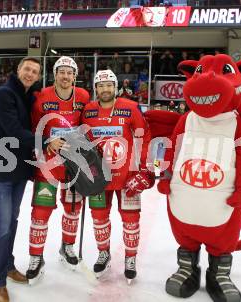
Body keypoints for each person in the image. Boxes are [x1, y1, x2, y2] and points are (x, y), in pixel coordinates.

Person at [0, 57, 59, 302]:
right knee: (3, 225)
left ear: (38, 77)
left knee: (13, 221)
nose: (30, 73)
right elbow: (13, 130)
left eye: (35, 71)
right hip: (2, 171)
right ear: (18, 70)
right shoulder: (3, 95)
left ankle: (8, 266)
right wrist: (47, 141)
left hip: (19, 171)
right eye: (27, 69)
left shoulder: (28, 98)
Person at [81, 69, 155, 283]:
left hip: (127, 176)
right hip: (99, 178)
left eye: (109, 85)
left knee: (131, 220)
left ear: (116, 87)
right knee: (99, 218)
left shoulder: (130, 107)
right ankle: (103, 253)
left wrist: (144, 168)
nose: (105, 89)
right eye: (101, 85)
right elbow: (83, 143)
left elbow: (144, 137)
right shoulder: (88, 111)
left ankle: (130, 259)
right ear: (96, 88)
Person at [26, 56, 90, 281]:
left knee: (73, 209)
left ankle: (67, 246)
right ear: (55, 74)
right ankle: (36, 256)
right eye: (61, 72)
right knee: (40, 212)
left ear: (75, 76)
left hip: (73, 164)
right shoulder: (41, 97)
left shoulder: (83, 96)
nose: (65, 76)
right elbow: (31, 127)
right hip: (48, 165)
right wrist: (46, 140)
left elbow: (88, 126)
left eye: (69, 72)